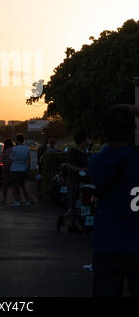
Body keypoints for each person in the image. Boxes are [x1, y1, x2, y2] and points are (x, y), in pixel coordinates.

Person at [89, 104, 139, 297]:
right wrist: (129, 108)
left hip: (107, 244)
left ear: (104, 131)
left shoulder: (97, 162)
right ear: (133, 130)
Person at [57, 132, 90, 232]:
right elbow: (69, 165)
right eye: (86, 139)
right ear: (82, 140)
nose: (88, 141)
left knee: (77, 203)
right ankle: (67, 222)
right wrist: (81, 169)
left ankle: (69, 224)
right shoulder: (73, 151)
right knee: (74, 203)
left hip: (83, 180)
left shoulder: (85, 151)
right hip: (74, 180)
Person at [10, 133, 31, 207]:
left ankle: (17, 201)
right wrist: (28, 169)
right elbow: (29, 160)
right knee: (23, 186)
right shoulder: (27, 149)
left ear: (17, 140)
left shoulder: (14, 149)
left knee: (14, 186)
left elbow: (11, 159)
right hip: (23, 169)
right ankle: (27, 201)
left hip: (14, 169)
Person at [0, 138, 13, 204]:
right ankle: (16, 198)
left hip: (4, 167)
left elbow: (0, 159)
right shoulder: (13, 150)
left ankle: (4, 198)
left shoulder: (3, 151)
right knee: (13, 183)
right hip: (12, 167)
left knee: (5, 184)